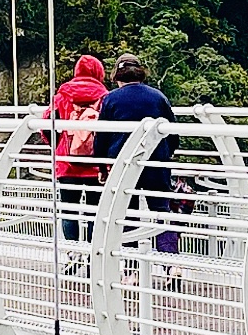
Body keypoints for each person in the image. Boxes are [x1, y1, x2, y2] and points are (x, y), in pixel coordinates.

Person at [96, 57, 182, 265]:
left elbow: (101, 136)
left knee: (127, 212)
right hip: (156, 161)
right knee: (161, 209)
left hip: (124, 163)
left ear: (117, 76)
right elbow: (173, 132)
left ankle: (132, 268)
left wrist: (102, 166)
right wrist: (165, 153)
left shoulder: (110, 99)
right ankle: (171, 263)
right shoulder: (157, 97)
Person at [48, 53, 108, 246]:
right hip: (96, 166)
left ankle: (73, 253)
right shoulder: (105, 97)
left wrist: (59, 146)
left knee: (68, 211)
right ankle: (92, 254)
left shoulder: (61, 97)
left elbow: (46, 124)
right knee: (94, 212)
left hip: (67, 164)